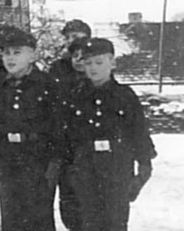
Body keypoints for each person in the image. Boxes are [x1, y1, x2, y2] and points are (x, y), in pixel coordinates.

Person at [63, 38, 156, 231]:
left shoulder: (125, 96)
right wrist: (70, 169)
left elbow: (138, 131)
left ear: (112, 63)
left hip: (117, 167)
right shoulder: (76, 96)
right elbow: (68, 136)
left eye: (99, 62)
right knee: (89, 220)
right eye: (88, 63)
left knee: (116, 220)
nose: (93, 68)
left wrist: (144, 165)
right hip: (85, 168)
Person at [0, 27, 62, 231]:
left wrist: (53, 162)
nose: (10, 58)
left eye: (17, 52)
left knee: (39, 218)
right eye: (6, 53)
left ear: (32, 55)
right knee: (11, 217)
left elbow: (57, 126)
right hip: (7, 158)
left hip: (37, 159)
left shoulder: (47, 85)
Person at [51, 20, 91, 231]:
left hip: (90, 144)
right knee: (68, 199)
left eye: (76, 36)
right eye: (68, 38)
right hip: (65, 143)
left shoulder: (95, 65)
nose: (71, 42)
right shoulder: (58, 68)